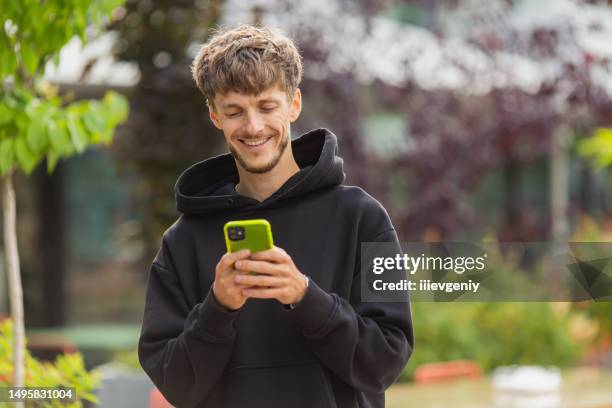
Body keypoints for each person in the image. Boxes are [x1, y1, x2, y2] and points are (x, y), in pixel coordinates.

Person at [138, 23, 414, 408]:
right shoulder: (182, 241)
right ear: (215, 115)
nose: (253, 127)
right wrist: (217, 309)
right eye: (235, 111)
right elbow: (175, 386)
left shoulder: (362, 218)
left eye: (267, 107)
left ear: (294, 104)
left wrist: (305, 296)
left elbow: (384, 361)